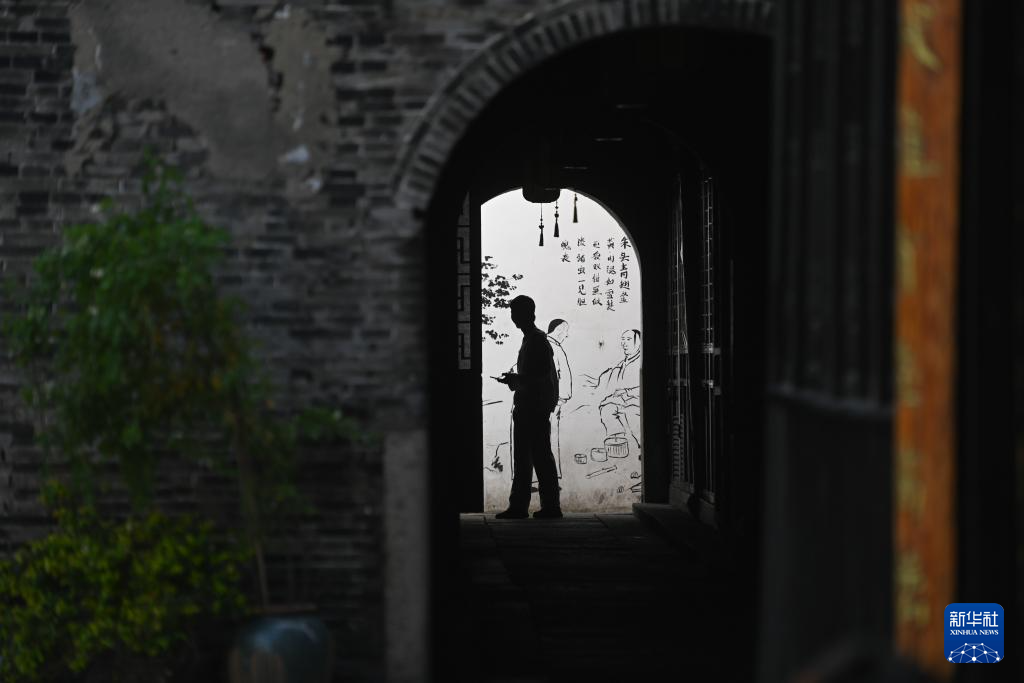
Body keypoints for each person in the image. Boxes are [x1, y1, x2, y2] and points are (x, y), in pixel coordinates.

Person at [493, 296, 562, 519]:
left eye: (516, 313)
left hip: (534, 407)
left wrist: (516, 379)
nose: (513, 318)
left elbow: (539, 376)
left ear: (527, 314)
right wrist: (516, 379)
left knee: (537, 457)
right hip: (530, 405)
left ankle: (543, 506)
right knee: (528, 457)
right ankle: (526, 505)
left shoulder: (537, 341)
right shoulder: (532, 339)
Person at [546, 318, 573, 477]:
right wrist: (562, 397)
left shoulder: (551, 346)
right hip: (552, 400)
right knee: (549, 436)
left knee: (549, 436)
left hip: (554, 399)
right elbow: (558, 375)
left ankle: (551, 475)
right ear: (558, 330)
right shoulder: (552, 347)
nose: (567, 335)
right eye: (565, 331)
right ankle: (551, 476)